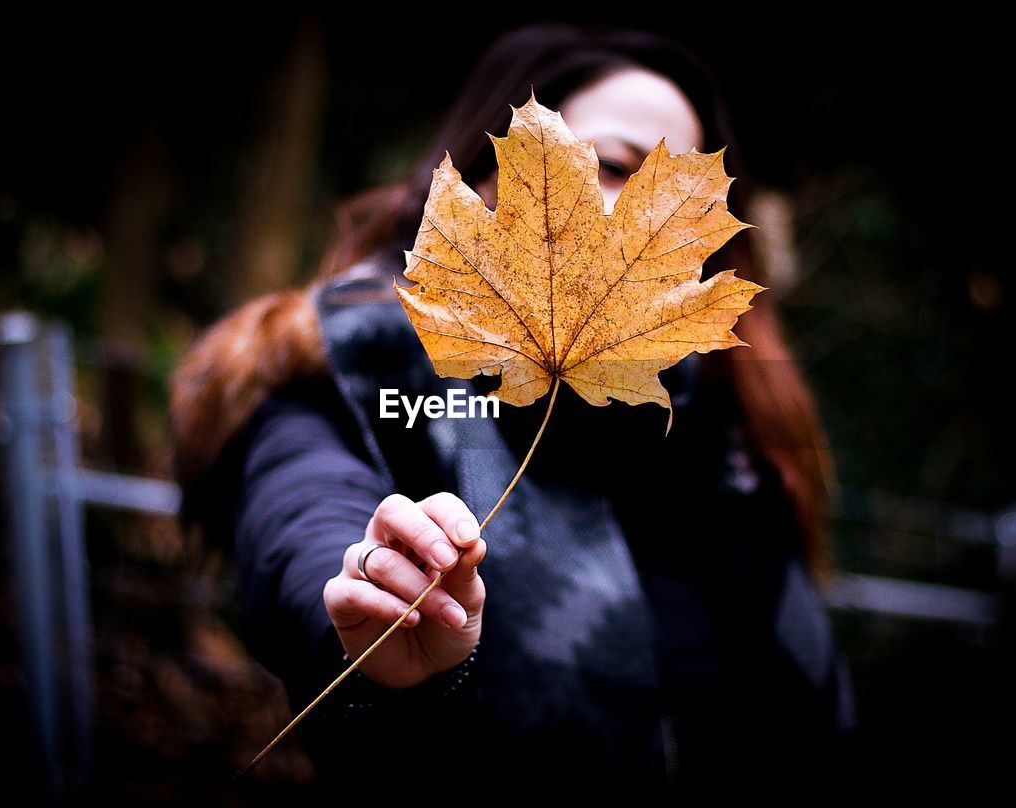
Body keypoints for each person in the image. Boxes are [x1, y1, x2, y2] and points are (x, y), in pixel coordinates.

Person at [170, 22, 855, 796]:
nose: (643, 211)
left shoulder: (730, 444)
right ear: (490, 175)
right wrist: (374, 611)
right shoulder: (344, 369)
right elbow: (304, 513)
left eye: (681, 197)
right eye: (618, 163)